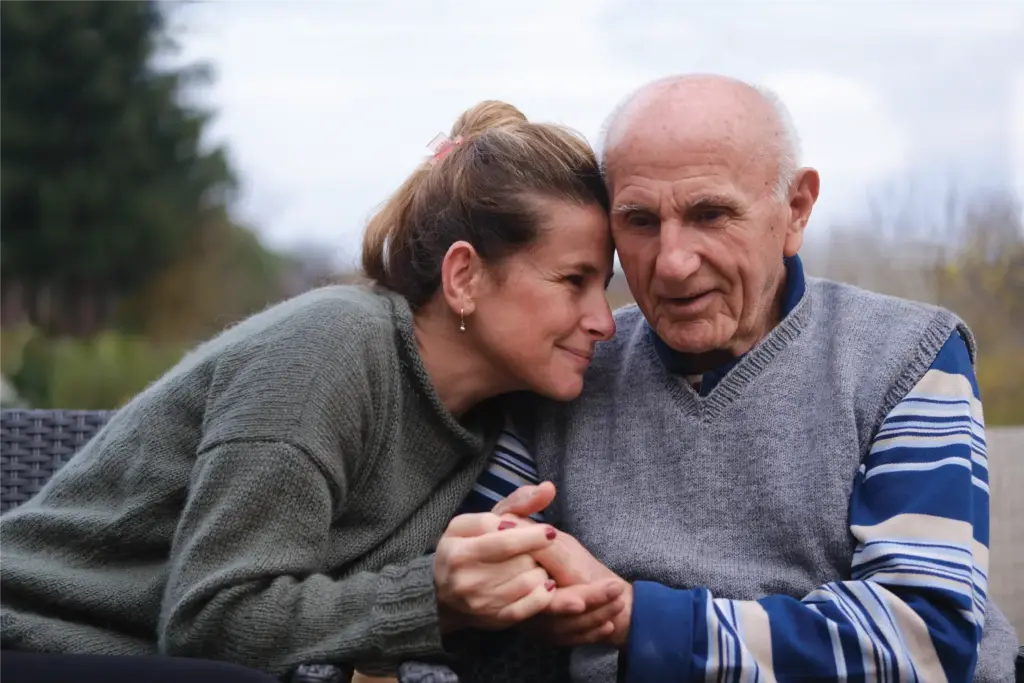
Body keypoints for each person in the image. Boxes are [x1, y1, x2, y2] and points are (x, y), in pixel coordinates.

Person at [412, 75, 1019, 682]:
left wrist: (639, 619)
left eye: (711, 214)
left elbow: (923, 642)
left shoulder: (906, 355)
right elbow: (466, 610)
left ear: (795, 210)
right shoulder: (570, 367)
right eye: (641, 221)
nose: (673, 263)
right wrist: (465, 592)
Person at [0, 100, 626, 683]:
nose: (603, 319)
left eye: (604, 284)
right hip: (35, 637)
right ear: (463, 277)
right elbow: (211, 623)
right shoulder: (333, 348)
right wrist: (431, 598)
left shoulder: (488, 426)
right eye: (573, 280)